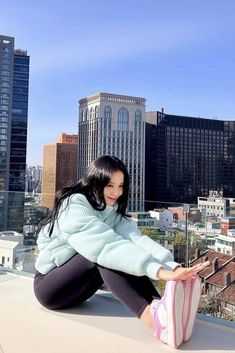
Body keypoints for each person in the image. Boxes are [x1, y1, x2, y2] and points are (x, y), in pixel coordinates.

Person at [34, 155, 209, 349]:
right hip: (50, 287)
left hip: (79, 290)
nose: (116, 192)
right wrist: (160, 273)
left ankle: (162, 308)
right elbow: (105, 245)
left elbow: (138, 241)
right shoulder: (74, 204)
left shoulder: (112, 211)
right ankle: (154, 320)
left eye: (121, 186)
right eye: (110, 185)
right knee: (107, 254)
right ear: (95, 182)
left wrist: (173, 267)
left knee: (123, 250)